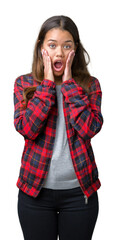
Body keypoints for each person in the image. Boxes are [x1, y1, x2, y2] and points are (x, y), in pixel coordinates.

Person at [14, 15, 103, 240]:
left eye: (67, 46)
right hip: (35, 194)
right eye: (52, 45)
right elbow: (27, 129)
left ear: (76, 49)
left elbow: (89, 129)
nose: (59, 53)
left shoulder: (90, 85)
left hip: (80, 194)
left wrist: (70, 84)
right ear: (41, 48)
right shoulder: (24, 84)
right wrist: (47, 85)